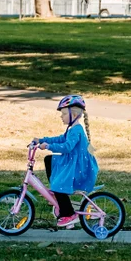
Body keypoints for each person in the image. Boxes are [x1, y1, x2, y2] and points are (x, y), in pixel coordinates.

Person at [33, 95, 99, 228]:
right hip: (73, 163)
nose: (61, 116)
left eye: (63, 114)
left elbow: (67, 147)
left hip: (79, 168)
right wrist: (42, 140)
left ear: (74, 114)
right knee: (49, 160)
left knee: (59, 184)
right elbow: (61, 139)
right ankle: (56, 192)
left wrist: (48, 146)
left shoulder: (76, 130)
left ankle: (69, 214)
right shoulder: (72, 129)